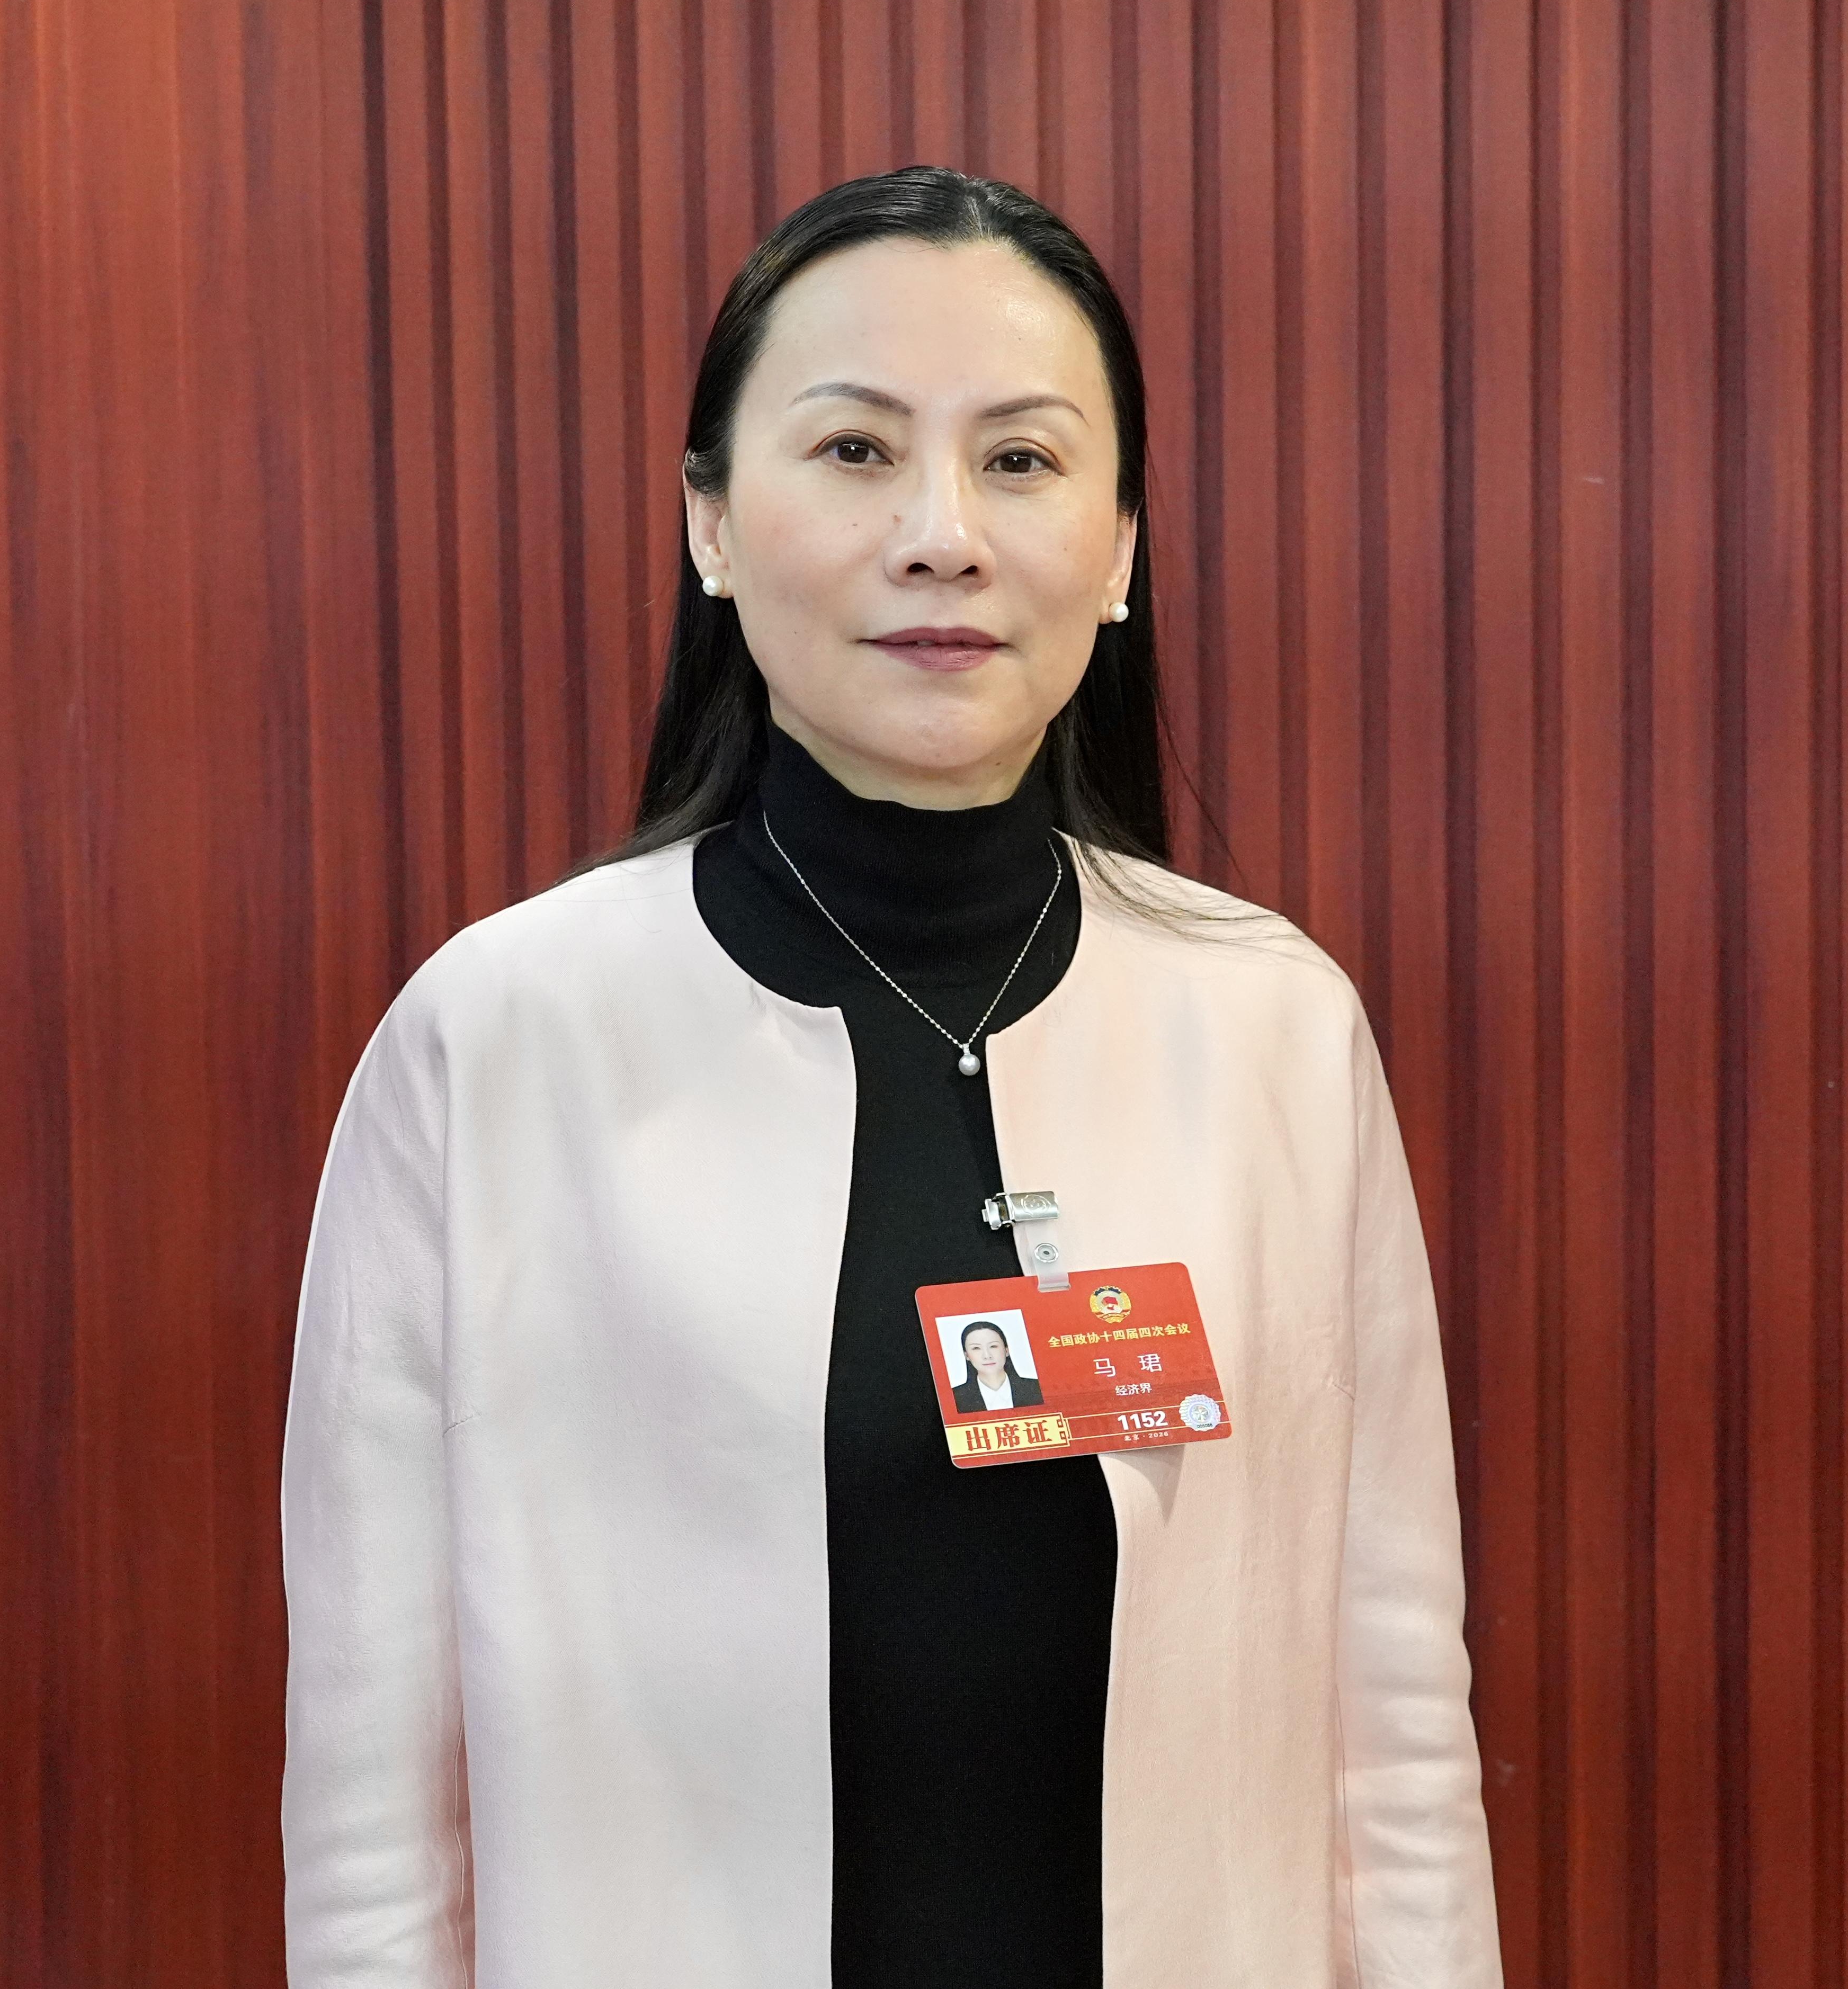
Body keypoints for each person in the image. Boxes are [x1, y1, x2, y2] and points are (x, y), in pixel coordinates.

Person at [280, 165, 1499, 1988]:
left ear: (1119, 547)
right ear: (707, 520)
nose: (941, 535)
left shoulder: (1272, 1032)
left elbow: (1387, 1746)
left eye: (1019, 460)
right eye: (854, 451)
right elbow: (379, 1808)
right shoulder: (493, 1047)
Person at [949, 1318, 1041, 1413]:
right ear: (967, 1355)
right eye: (976, 1348)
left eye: (993, 1346)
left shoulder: (1036, 1389)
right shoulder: (954, 1398)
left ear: (1006, 1350)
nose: (987, 1356)